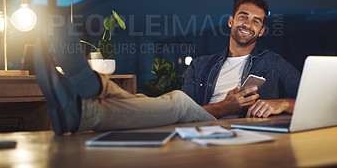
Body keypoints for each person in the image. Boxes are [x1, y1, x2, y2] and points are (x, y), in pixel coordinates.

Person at [34, 24, 215, 136]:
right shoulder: (205, 63)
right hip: (204, 117)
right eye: (243, 16)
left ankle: (97, 88)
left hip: (226, 125)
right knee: (142, 101)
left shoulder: (245, 67)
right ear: (231, 21)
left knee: (181, 103)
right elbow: (194, 101)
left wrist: (229, 106)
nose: (245, 23)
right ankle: (84, 106)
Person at [181, 0, 301, 119]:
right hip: (205, 134)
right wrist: (224, 108)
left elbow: (312, 100)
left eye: (256, 21)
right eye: (243, 17)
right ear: (230, 22)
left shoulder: (273, 63)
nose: (248, 25)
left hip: (253, 135)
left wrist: (284, 104)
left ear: (261, 31)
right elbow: (183, 114)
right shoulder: (199, 65)